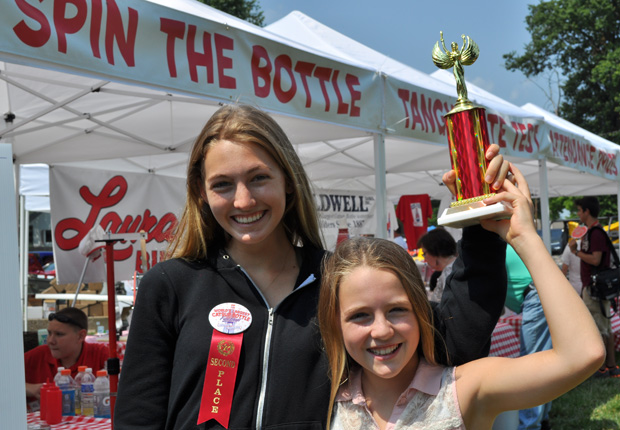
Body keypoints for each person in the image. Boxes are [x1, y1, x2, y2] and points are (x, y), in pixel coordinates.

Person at [113, 104, 512, 429]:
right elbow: (137, 418)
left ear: (288, 180)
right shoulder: (169, 284)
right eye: (222, 185)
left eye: (258, 178)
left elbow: (452, 338)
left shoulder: (336, 280)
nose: (243, 200)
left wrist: (481, 222)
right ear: (201, 193)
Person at [318, 165, 605, 430]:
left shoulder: (461, 390)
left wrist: (524, 237)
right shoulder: (323, 397)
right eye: (359, 315)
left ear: (421, 310)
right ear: (335, 322)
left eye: (397, 310)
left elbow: (582, 355)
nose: (381, 330)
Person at [568, 196, 620, 378]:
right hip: (597, 287)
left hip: (594, 287)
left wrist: (576, 252)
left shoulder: (595, 233)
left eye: (579, 210)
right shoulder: (594, 232)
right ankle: (612, 367)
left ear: (586, 211)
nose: (578, 214)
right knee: (606, 327)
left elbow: (596, 259)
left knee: (599, 328)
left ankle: (602, 368)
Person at [505, 245, 552, 430]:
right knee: (544, 363)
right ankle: (542, 420)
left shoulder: (493, 246)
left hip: (536, 298)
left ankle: (530, 426)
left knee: (533, 367)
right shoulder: (504, 244)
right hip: (540, 296)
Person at [24, 307, 109, 407]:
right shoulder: (37, 355)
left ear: (81, 336)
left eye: (59, 334)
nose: (50, 341)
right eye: (49, 333)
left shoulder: (101, 354)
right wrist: (28, 388)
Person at [417, 227, 457, 302]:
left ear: (434, 250)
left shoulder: (450, 272)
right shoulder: (453, 267)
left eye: (424, 253)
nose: (425, 259)